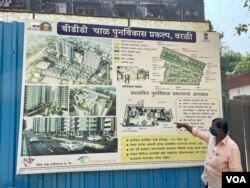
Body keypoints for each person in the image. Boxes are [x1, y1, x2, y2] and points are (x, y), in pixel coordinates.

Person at [175, 118, 242, 188]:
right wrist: (185, 125)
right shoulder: (212, 138)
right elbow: (197, 133)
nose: (210, 128)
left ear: (220, 130)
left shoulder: (232, 147)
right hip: (208, 183)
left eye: (213, 127)